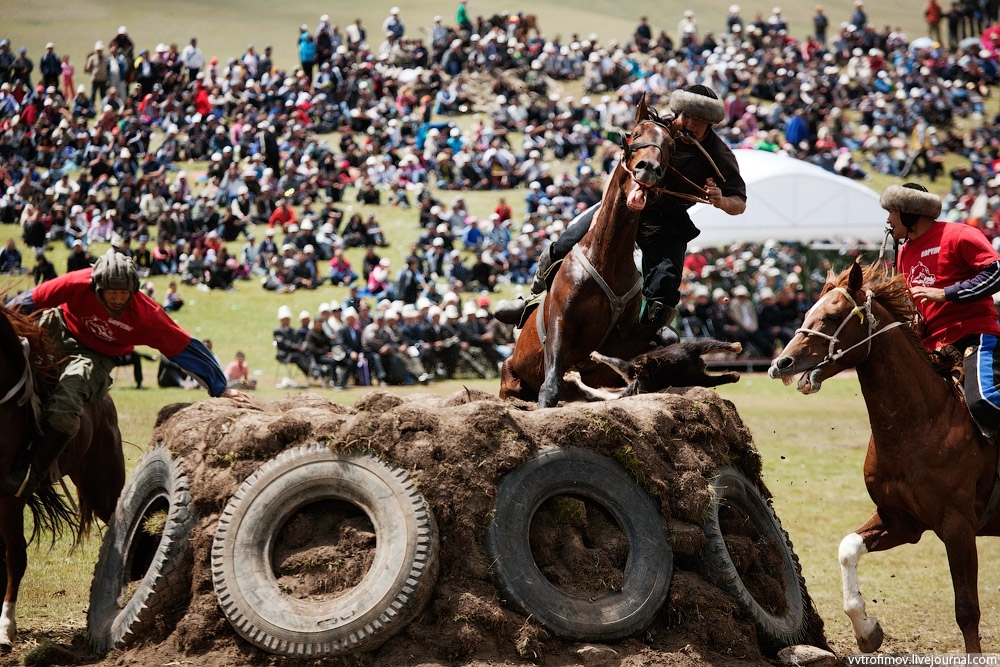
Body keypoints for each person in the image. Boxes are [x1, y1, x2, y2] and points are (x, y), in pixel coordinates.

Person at [495, 85, 747, 345]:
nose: (690, 124)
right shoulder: (656, 129)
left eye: (700, 121)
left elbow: (739, 203)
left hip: (667, 217)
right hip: (624, 202)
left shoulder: (719, 154)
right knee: (565, 243)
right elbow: (621, 166)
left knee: (666, 283)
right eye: (687, 116)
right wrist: (605, 206)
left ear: (710, 125)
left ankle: (651, 332)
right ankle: (530, 302)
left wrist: (720, 200)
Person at [3, 250, 250, 497]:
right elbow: (28, 301)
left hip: (95, 355)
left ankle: (30, 473)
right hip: (57, 327)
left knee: (68, 399)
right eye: (112, 292)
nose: (118, 299)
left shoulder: (147, 315)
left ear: (134, 290)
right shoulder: (77, 282)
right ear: (97, 286)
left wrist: (219, 387)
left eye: (124, 293)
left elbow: (184, 347)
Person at [883, 183, 1000, 435]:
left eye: (891, 211)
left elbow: (996, 272)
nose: (888, 220)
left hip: (973, 337)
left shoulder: (959, 234)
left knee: (983, 402)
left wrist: (946, 293)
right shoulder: (903, 253)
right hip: (931, 350)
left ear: (909, 213)